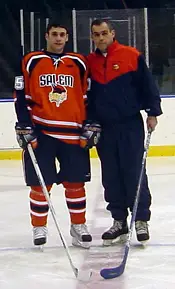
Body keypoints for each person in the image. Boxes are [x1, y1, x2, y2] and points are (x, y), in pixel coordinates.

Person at [13, 21, 92, 249]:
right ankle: (39, 226)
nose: (58, 38)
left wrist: (90, 124)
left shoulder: (78, 62)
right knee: (40, 184)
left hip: (73, 132)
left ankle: (78, 226)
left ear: (67, 38)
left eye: (62, 35)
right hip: (41, 131)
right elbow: (20, 94)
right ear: (47, 36)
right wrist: (24, 124)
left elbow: (87, 95)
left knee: (75, 183)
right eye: (54, 34)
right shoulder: (31, 60)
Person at [85, 19, 162, 245]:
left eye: (104, 33)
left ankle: (140, 219)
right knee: (111, 174)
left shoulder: (131, 55)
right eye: (96, 34)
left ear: (112, 33)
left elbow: (147, 85)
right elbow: (86, 95)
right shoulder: (89, 62)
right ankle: (119, 220)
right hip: (104, 127)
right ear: (92, 37)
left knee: (133, 171)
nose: (101, 38)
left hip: (129, 124)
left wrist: (152, 111)